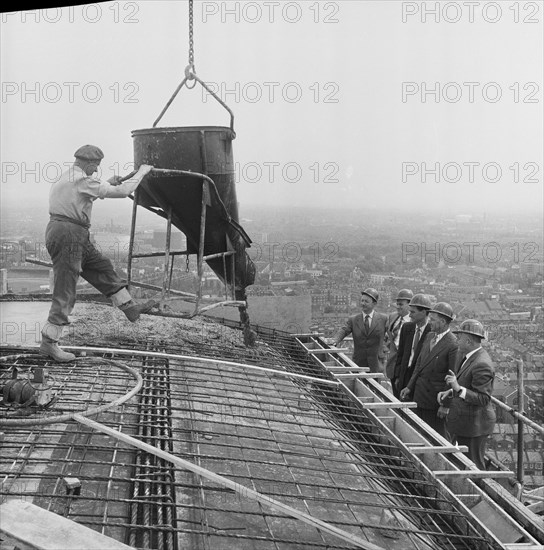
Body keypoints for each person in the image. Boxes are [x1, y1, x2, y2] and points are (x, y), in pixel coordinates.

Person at [40, 144, 156, 362]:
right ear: (90, 163)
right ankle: (49, 344)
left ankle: (130, 307)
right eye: (96, 167)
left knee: (101, 266)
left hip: (72, 232)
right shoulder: (82, 179)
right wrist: (142, 171)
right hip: (69, 234)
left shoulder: (68, 178)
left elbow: (82, 196)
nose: (96, 171)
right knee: (66, 289)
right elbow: (123, 192)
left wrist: (105, 184)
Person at [437, 319, 496, 470]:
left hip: (474, 425)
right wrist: (451, 391)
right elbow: (467, 385)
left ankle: (477, 492)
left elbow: (483, 398)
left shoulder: (481, 363)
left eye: (459, 337)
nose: (457, 340)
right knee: (464, 462)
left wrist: (457, 388)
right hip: (465, 422)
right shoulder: (469, 356)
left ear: (468, 341)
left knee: (474, 466)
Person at [400, 302, 458, 437]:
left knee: (437, 437)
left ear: (443, 322)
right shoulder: (429, 336)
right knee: (419, 434)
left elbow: (452, 378)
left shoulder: (452, 344)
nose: (429, 322)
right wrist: (410, 386)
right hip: (420, 396)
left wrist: (445, 405)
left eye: (433, 320)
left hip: (435, 402)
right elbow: (419, 365)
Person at [331, 288, 388, 373]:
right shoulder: (353, 320)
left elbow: (392, 335)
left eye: (366, 301)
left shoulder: (383, 319)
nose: (363, 304)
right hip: (358, 364)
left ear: (374, 303)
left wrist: (385, 349)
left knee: (375, 386)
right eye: (362, 301)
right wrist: (334, 341)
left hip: (376, 365)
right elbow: (343, 330)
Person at [391, 293, 432, 399]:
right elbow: (401, 354)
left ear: (423, 312)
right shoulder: (407, 328)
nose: (409, 315)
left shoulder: (432, 332)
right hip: (404, 377)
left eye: (413, 312)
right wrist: (398, 376)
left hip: (419, 382)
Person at [384, 288, 413, 385]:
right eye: (397, 304)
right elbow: (388, 334)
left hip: (406, 367)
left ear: (410, 305)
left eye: (401, 304)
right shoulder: (393, 317)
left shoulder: (414, 322)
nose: (398, 307)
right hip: (392, 366)